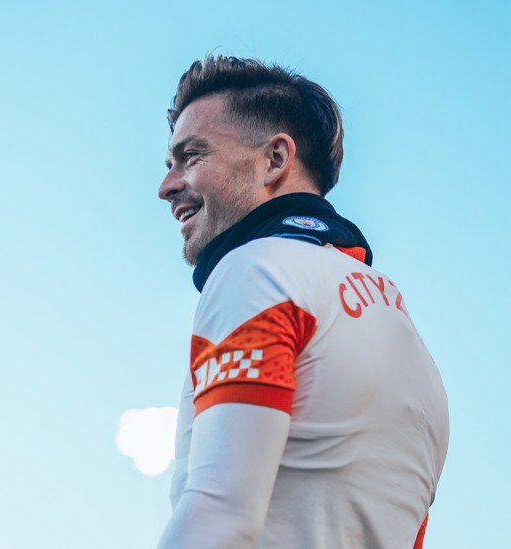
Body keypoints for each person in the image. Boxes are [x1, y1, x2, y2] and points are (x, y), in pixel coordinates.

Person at [156, 55, 449, 549]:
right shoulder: (405, 330)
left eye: (192, 156)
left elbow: (221, 515)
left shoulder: (258, 268)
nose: (166, 187)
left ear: (275, 159)